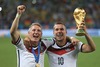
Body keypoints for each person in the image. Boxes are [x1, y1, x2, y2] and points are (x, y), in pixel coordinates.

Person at [10, 5, 79, 67]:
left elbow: (59, 37)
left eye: (39, 30)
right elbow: (13, 32)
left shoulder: (45, 43)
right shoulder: (21, 44)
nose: (36, 32)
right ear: (29, 33)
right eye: (34, 30)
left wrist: (71, 38)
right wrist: (18, 15)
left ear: (41, 34)